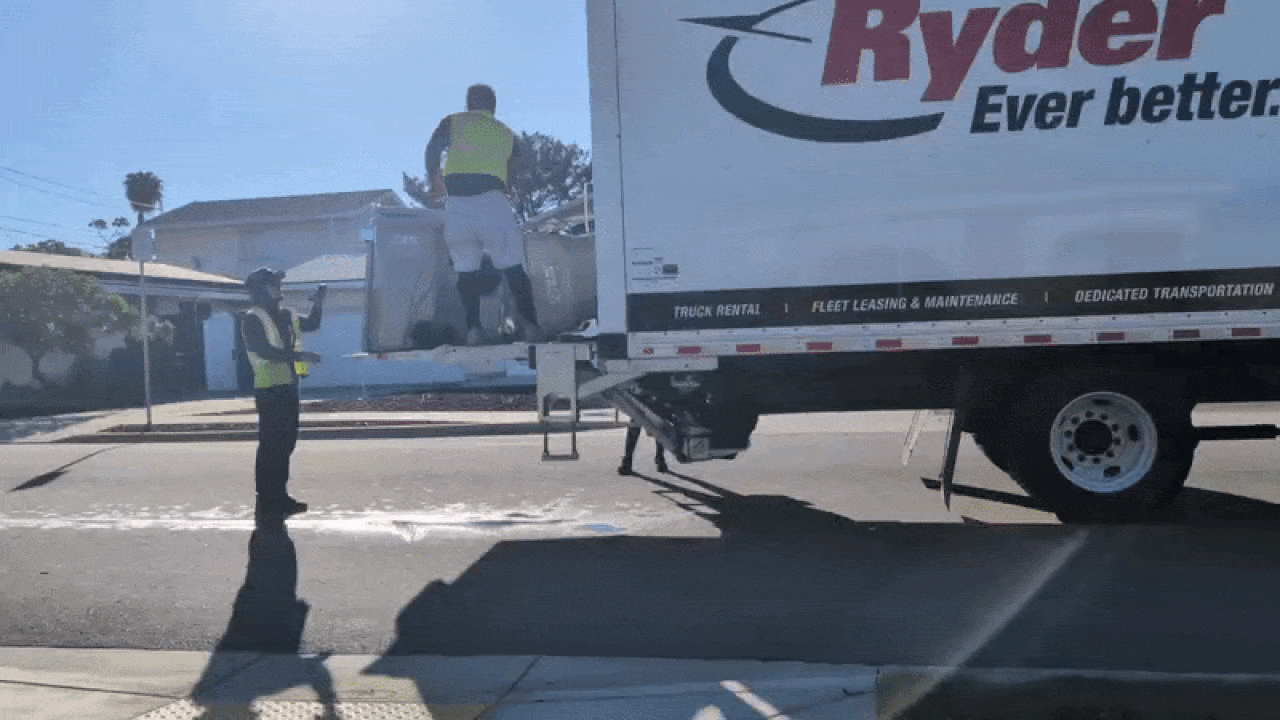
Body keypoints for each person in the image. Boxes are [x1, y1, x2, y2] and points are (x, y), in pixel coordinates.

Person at [426, 83, 544, 346]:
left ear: (468, 103)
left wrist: (435, 179)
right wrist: (510, 185)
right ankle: (531, 325)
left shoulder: (453, 122)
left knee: (466, 270)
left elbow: (432, 149)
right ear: (493, 106)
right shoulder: (507, 134)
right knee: (513, 267)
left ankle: (474, 329)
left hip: (457, 206)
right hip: (492, 203)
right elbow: (521, 164)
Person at [241, 268, 325, 516]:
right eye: (274, 284)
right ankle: (267, 499)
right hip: (269, 388)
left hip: (289, 386)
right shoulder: (252, 318)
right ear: (261, 290)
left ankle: (279, 496)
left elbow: (313, 323)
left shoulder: (287, 315)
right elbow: (265, 351)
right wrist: (300, 355)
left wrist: (318, 303)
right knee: (271, 446)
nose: (279, 288)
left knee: (286, 444)